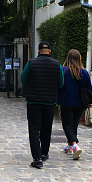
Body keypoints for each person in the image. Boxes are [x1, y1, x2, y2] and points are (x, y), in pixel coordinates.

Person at [20, 41, 64, 169]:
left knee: (34, 129)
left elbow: (23, 79)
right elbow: (61, 83)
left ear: (38, 51)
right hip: (50, 101)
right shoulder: (57, 65)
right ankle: (44, 153)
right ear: (50, 51)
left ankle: (37, 158)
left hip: (33, 100)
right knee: (46, 128)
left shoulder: (31, 63)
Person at [57, 49, 92, 160]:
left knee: (67, 126)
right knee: (74, 125)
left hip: (66, 102)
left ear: (68, 58)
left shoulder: (63, 71)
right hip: (79, 103)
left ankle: (74, 145)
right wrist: (90, 102)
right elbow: (89, 88)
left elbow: (58, 86)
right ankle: (69, 147)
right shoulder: (84, 72)